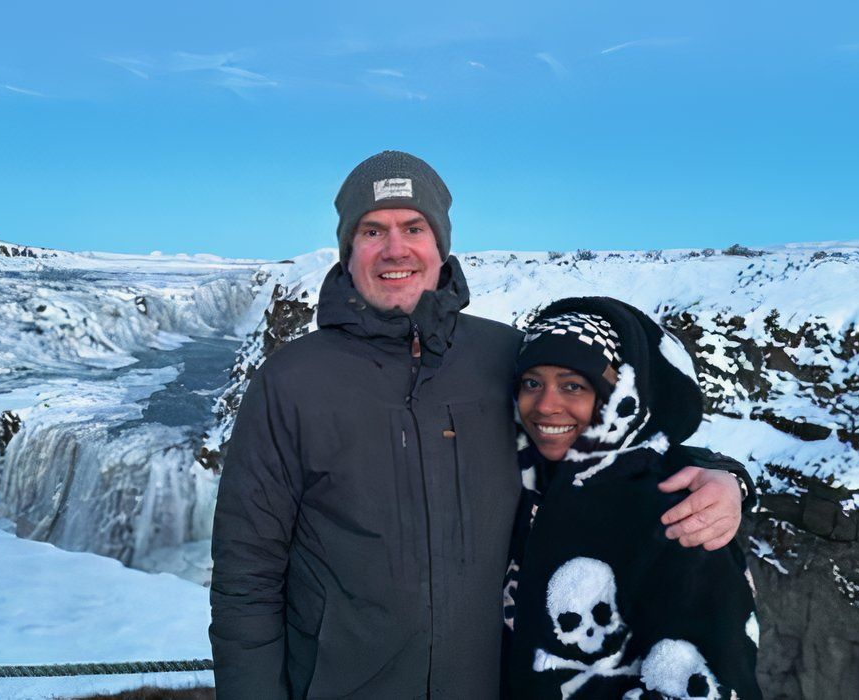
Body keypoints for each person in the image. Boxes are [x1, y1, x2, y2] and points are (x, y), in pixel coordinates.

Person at [209, 150, 753, 699]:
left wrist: (720, 476)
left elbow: (608, 451)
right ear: (348, 248)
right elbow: (246, 576)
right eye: (372, 230)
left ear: (440, 244)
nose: (395, 249)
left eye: (413, 227)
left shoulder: (505, 359)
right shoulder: (291, 381)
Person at [503, 297, 761, 699]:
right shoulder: (517, 477)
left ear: (617, 400)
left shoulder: (677, 517)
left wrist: (730, 480)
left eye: (574, 385)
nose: (546, 405)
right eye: (532, 383)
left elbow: (716, 677)